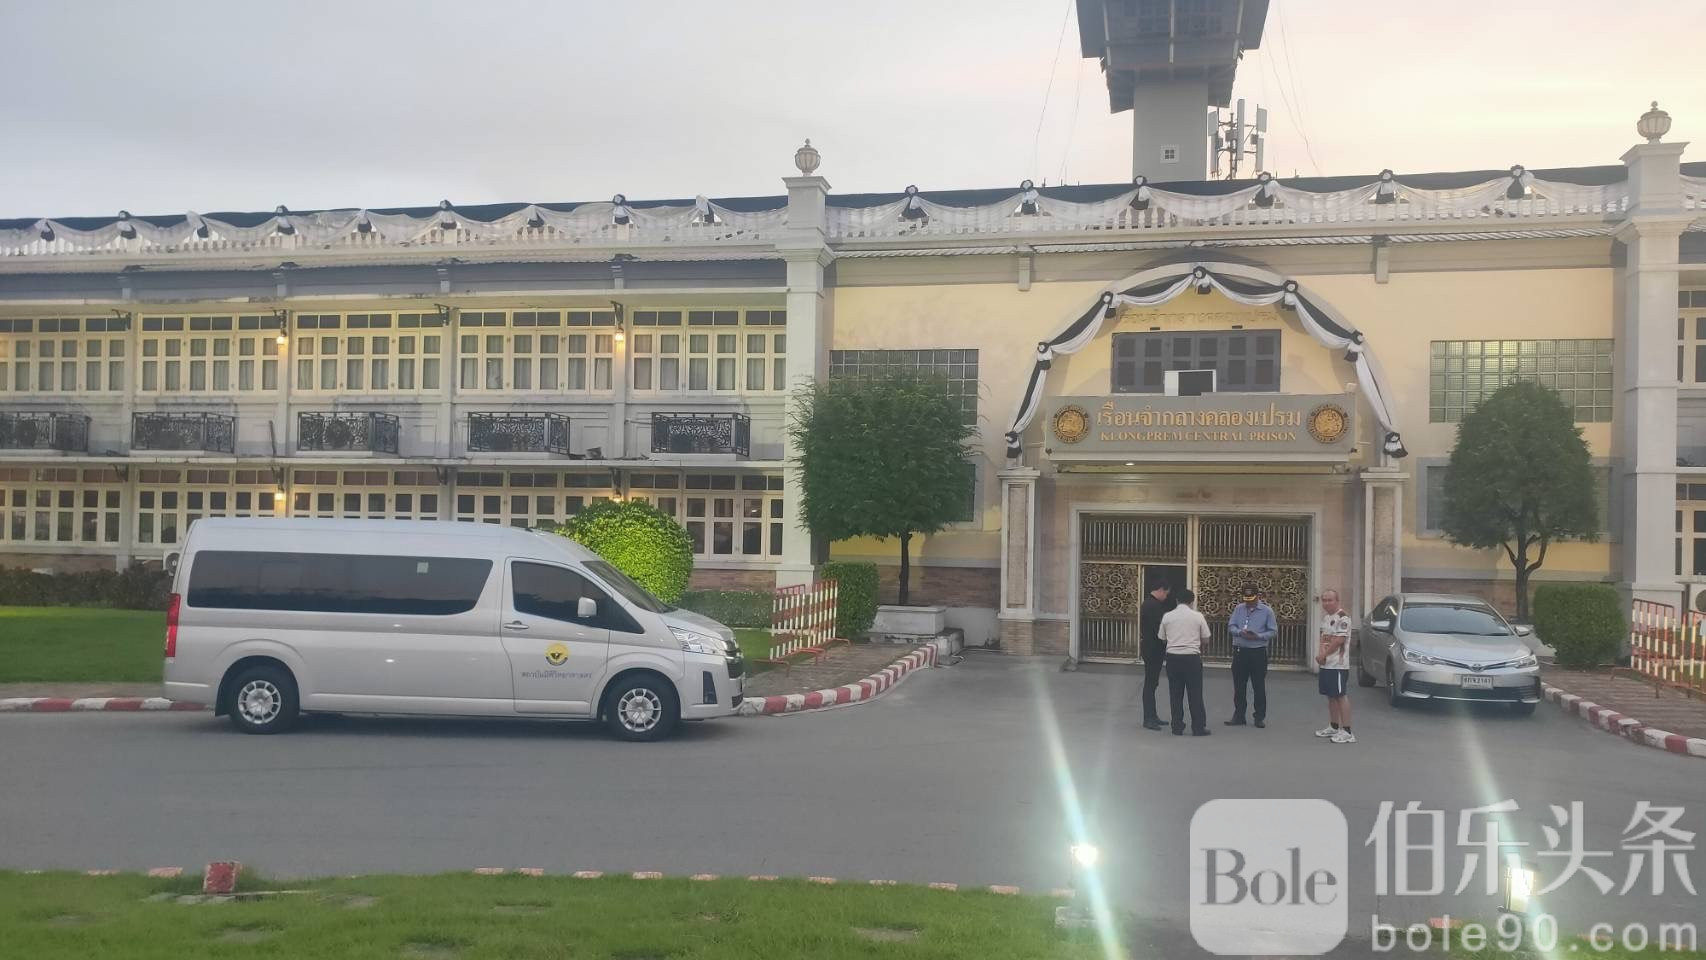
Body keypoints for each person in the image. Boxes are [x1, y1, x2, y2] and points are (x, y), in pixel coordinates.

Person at [1160, 588, 1212, 736]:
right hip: (1191, 658)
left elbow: (1162, 638)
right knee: (1195, 693)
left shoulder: (1167, 616)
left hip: (1173, 658)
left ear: (1177, 601)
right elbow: (1206, 639)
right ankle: (1198, 727)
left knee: (1175, 693)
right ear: (1192, 602)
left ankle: (1177, 727)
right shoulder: (1198, 616)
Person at [1226, 584, 1276, 728]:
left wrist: (1258, 636)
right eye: (1246, 599)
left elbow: (1273, 631)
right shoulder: (1238, 608)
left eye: (1251, 599)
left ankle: (1259, 717)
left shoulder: (1267, 611)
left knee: (1258, 686)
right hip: (1240, 651)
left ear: (1258, 596)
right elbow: (1231, 626)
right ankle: (1239, 715)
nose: (1248, 602)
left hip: (1257, 652)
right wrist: (1239, 632)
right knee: (1239, 686)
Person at [1314, 588, 1356, 744]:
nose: (1326, 603)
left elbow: (1339, 641)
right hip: (1326, 665)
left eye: (1330, 600)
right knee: (1331, 696)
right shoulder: (1326, 618)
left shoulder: (1343, 617)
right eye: (1324, 600)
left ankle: (1347, 731)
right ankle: (1333, 726)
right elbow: (1324, 638)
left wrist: (1324, 655)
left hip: (1338, 665)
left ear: (1337, 601)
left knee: (1340, 695)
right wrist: (1321, 655)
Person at [1137, 578, 1175, 731]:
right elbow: (1158, 628)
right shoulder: (1152, 605)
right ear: (1160, 590)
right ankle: (1149, 718)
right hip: (1152, 649)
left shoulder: (1151, 604)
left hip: (1152, 648)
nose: (1166, 596)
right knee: (1150, 683)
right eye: (1166, 593)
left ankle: (1153, 715)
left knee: (1153, 683)